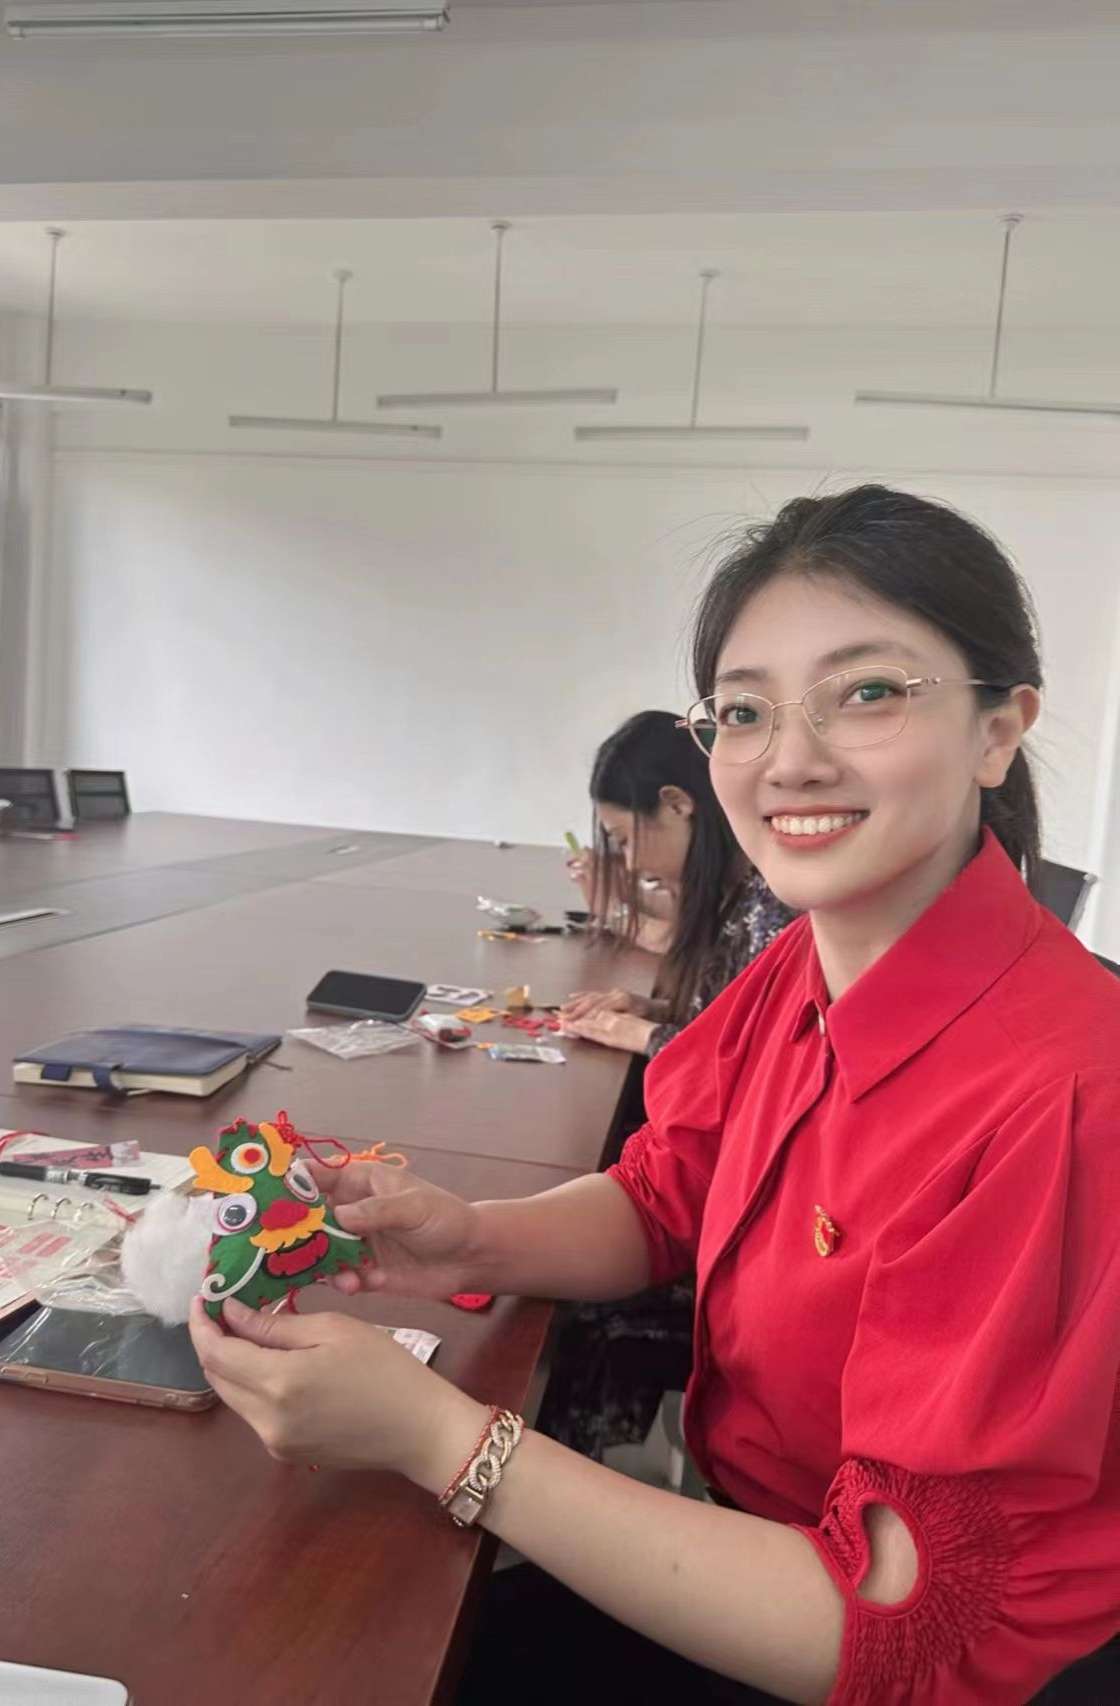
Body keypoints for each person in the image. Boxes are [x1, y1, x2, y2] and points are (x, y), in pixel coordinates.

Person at [189, 486, 1120, 1705]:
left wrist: (441, 1438)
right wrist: (469, 1237)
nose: (791, 758)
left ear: (999, 730)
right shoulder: (807, 961)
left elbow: (906, 1634)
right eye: (746, 710)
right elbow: (669, 1190)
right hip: (746, 1548)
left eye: (868, 691)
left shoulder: (1062, 1090)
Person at [560, 711, 791, 1058]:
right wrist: (656, 1011)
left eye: (624, 840)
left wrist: (649, 1036)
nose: (631, 864)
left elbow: (758, 1065)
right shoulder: (736, 890)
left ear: (676, 805)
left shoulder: (774, 905)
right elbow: (726, 1016)